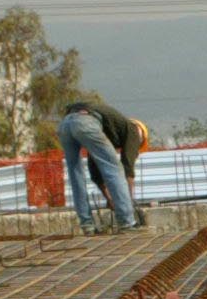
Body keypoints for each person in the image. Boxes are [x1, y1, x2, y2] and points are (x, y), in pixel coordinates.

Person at [59, 97, 146, 233]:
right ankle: (127, 222)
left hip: (65, 123)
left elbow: (95, 173)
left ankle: (87, 225)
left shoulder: (107, 131)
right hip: (86, 120)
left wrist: (109, 198)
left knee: (75, 173)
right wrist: (128, 203)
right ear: (142, 137)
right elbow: (127, 171)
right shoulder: (134, 131)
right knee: (115, 169)